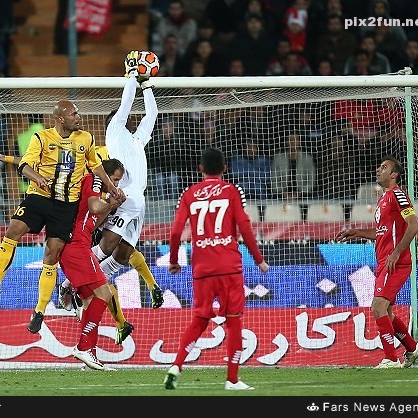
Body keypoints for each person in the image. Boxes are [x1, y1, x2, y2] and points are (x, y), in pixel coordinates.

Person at [0, 100, 124, 337]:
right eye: (74, 114)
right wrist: (35, 177)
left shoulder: (86, 139)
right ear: (60, 118)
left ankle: (39, 311)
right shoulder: (41, 138)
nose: (78, 117)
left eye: (78, 113)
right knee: (14, 229)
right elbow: (25, 163)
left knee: (51, 255)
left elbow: (97, 167)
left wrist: (112, 188)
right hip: (40, 197)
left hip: (65, 206)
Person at [58, 51, 164, 345]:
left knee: (122, 256)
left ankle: (77, 284)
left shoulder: (137, 140)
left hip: (140, 202)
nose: (128, 118)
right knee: (106, 246)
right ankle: (69, 283)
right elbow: (125, 104)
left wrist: (147, 85)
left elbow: (153, 115)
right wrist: (131, 76)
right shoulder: (114, 130)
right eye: (124, 117)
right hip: (123, 197)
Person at [164, 147, 270, 390]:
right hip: (229, 266)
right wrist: (258, 260)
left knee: (199, 319)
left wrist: (174, 260)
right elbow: (244, 226)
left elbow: (176, 231)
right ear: (224, 168)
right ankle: (232, 379)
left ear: (200, 168)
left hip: (202, 268)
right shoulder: (231, 191)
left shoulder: (189, 193)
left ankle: (176, 366)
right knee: (233, 322)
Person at [335, 156, 418, 369]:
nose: (378, 169)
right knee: (386, 311)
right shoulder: (383, 199)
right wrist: (358, 232)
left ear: (394, 175)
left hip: (395, 262)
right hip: (384, 261)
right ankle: (412, 348)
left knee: (377, 307)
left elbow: (413, 225)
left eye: (384, 167)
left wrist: (396, 253)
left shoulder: (398, 195)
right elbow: (382, 232)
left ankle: (391, 359)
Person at [60, 158, 126, 369]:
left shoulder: (98, 190)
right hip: (76, 246)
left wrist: (113, 203)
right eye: (115, 179)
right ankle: (82, 347)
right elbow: (95, 206)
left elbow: (93, 220)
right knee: (104, 294)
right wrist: (111, 200)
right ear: (106, 175)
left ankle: (89, 355)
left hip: (77, 246)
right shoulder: (95, 179)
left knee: (90, 301)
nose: (116, 184)